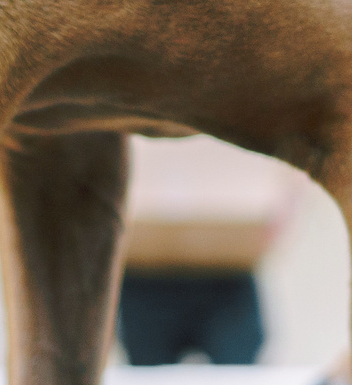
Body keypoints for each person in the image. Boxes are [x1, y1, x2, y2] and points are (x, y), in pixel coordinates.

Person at [116, 136, 301, 366]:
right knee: (147, 383)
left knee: (239, 377)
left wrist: (288, 198)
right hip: (144, 276)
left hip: (229, 275)